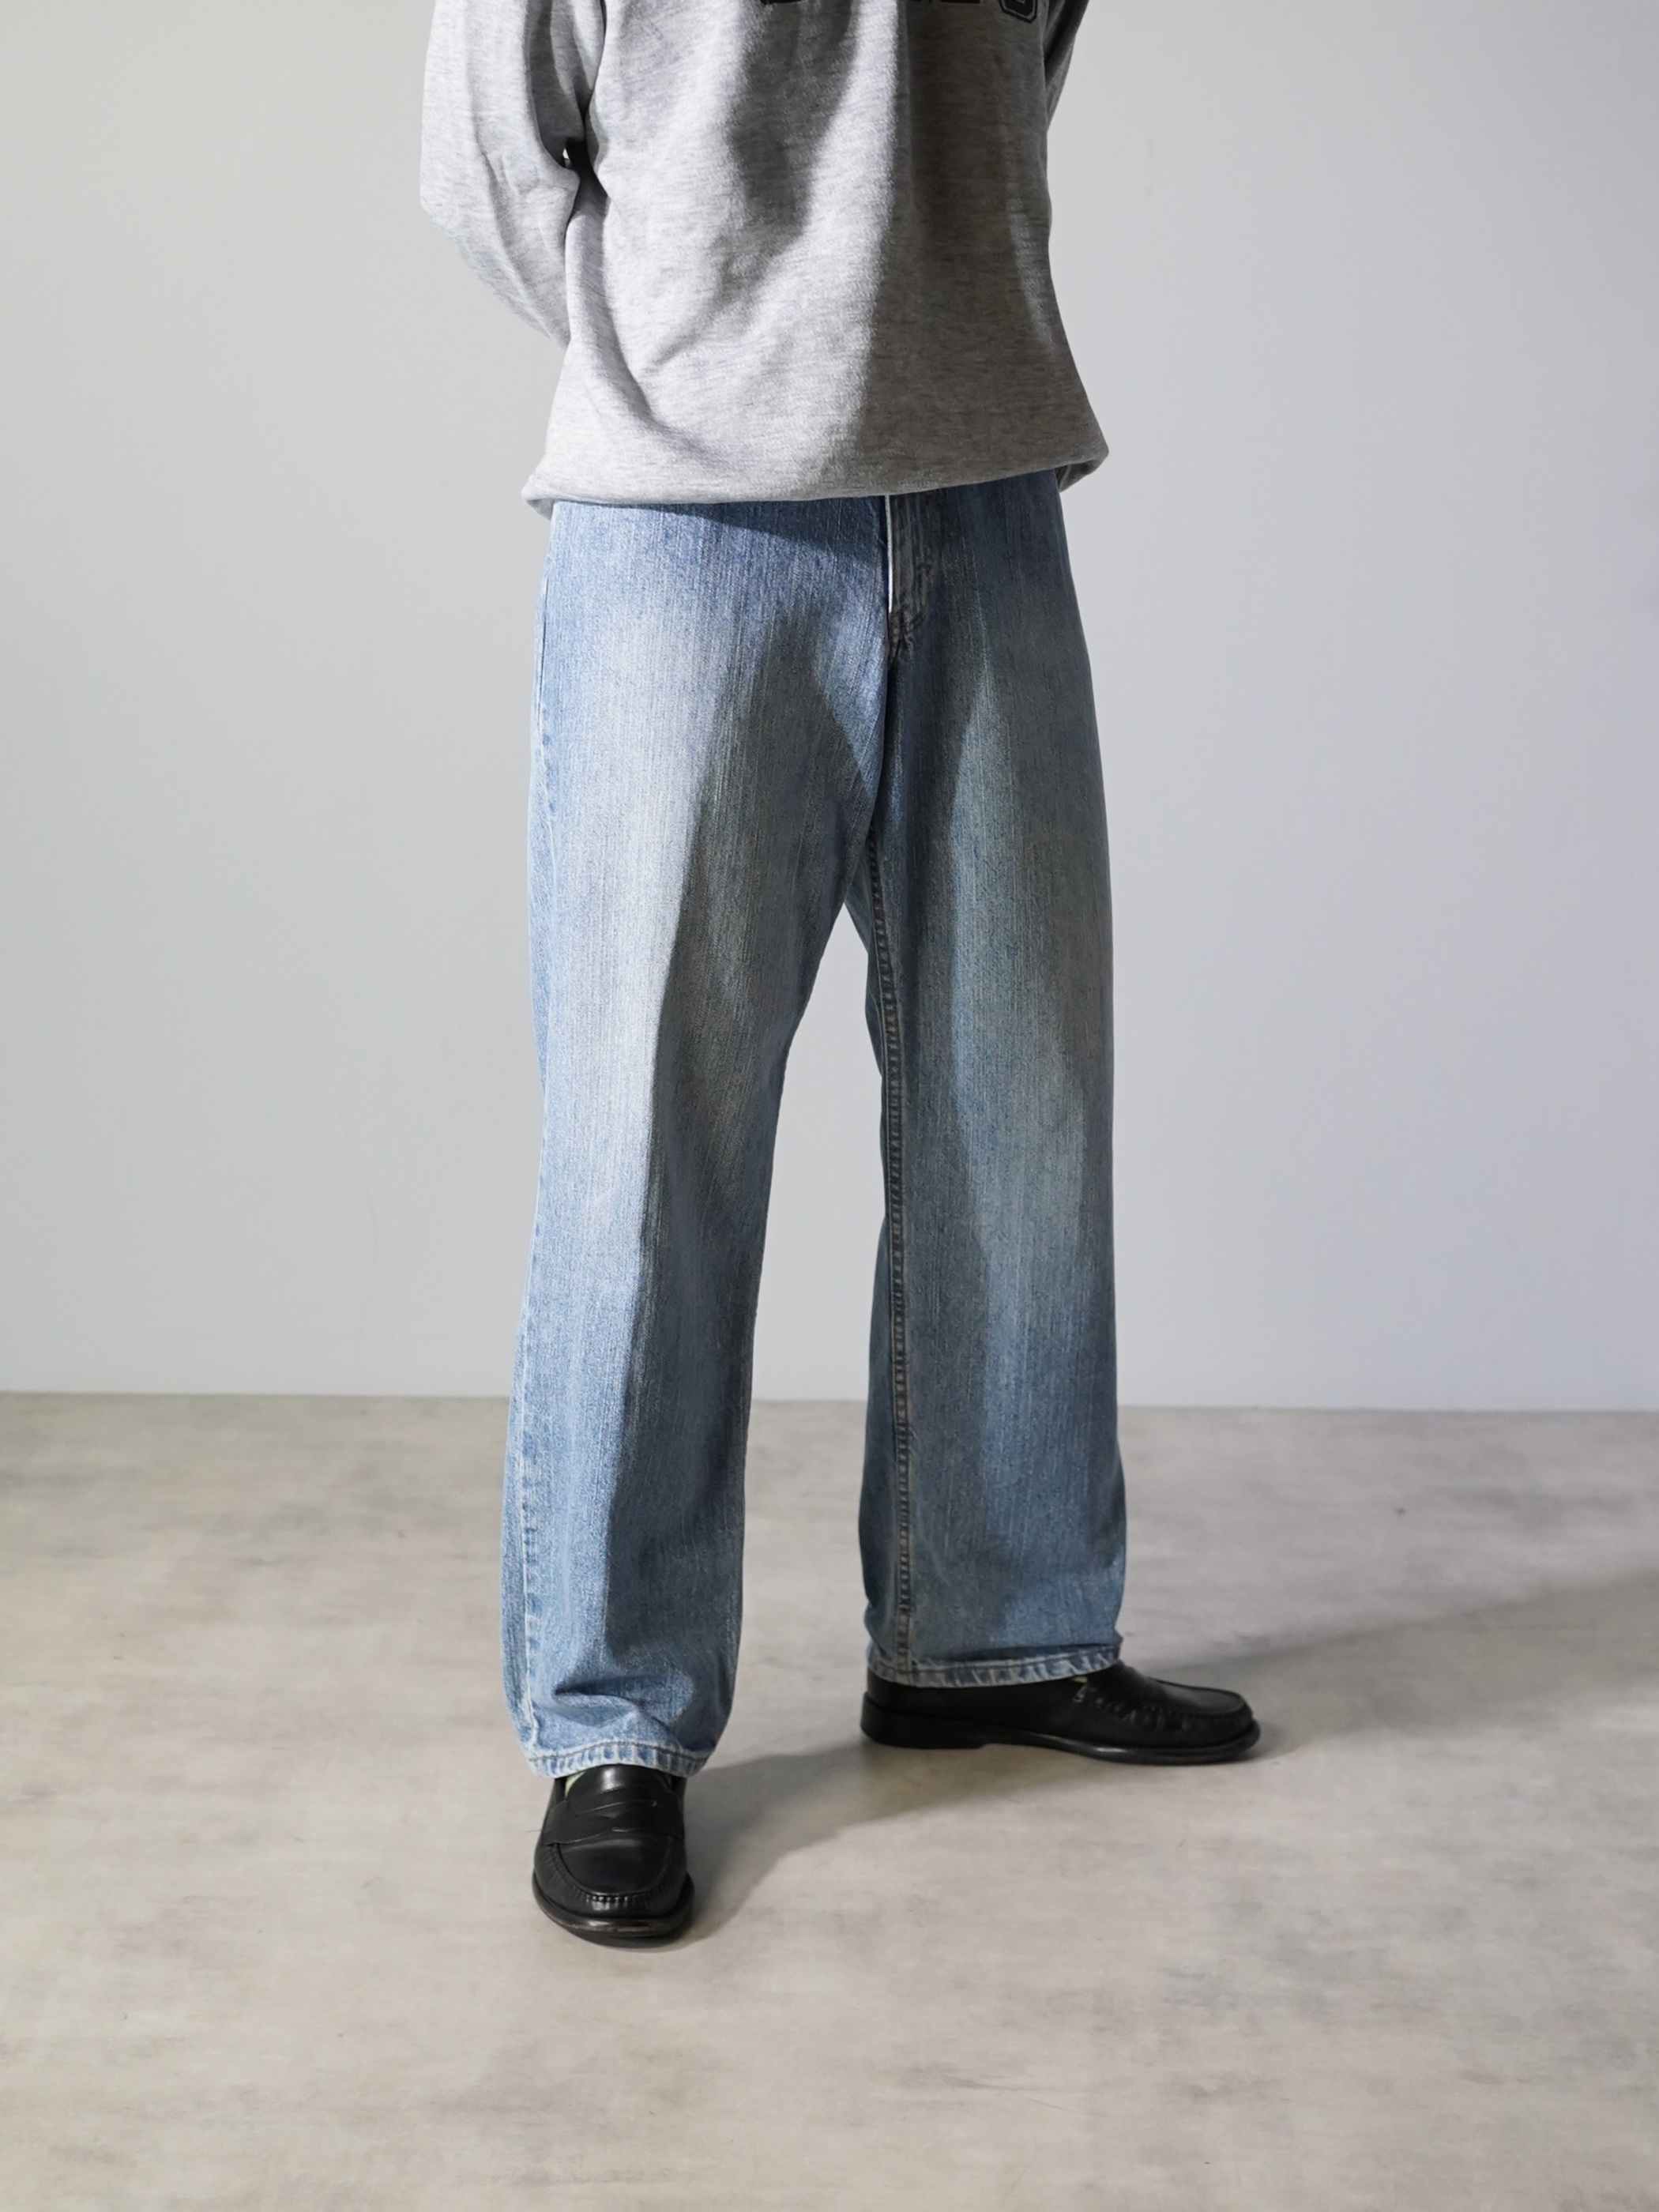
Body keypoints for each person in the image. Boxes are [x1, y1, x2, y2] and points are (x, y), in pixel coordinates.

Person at [421, 0, 1258, 1949]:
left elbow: (1016, 61)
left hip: (988, 482)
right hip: (683, 523)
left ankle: (996, 1631)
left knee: (1019, 1103)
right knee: (649, 1145)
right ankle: (612, 1720)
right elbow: (484, 158)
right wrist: (690, 349)